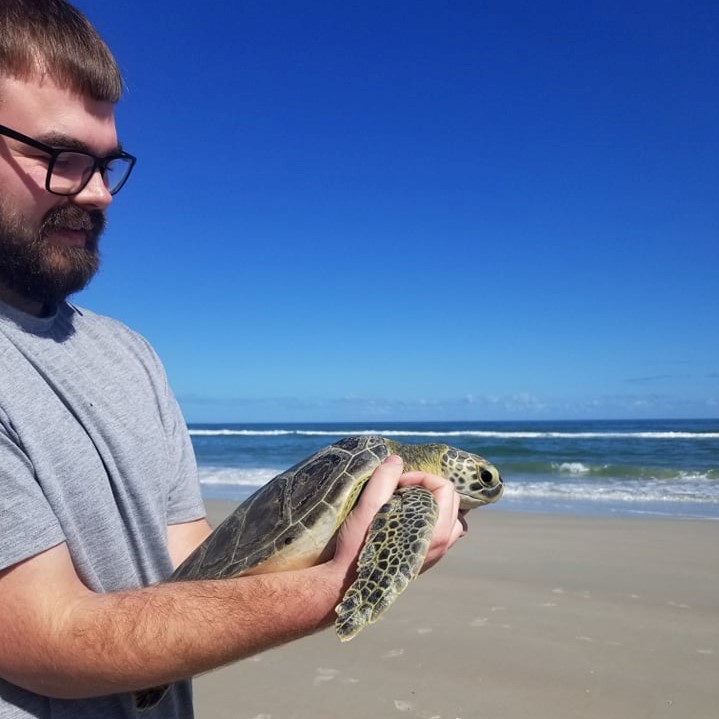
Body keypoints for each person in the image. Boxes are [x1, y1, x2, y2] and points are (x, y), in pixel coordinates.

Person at [0, 1, 466, 717]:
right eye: (60, 157)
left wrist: (345, 522)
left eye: (106, 163)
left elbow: (197, 565)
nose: (96, 192)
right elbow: (47, 637)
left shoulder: (127, 355)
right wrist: (346, 579)